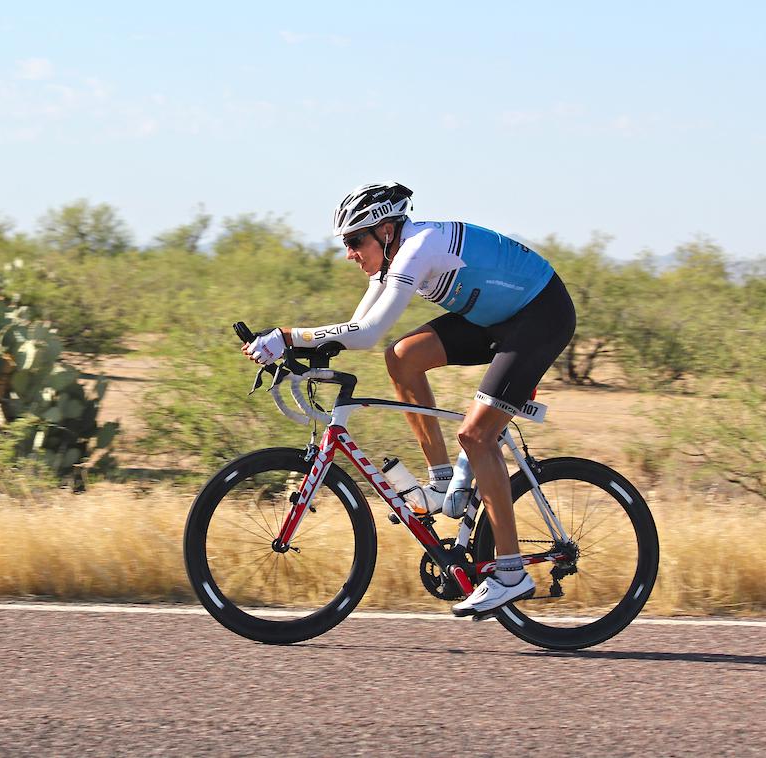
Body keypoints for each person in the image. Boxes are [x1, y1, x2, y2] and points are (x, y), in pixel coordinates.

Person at [241, 181, 576, 616]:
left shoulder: (418, 248)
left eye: (354, 241)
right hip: (498, 318)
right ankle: (440, 484)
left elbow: (366, 331)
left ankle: (510, 574)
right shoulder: (392, 258)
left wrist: (288, 336)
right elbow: (357, 326)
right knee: (401, 358)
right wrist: (300, 348)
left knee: (475, 437)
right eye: (346, 243)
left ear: (384, 230)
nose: (349, 253)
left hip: (540, 316)